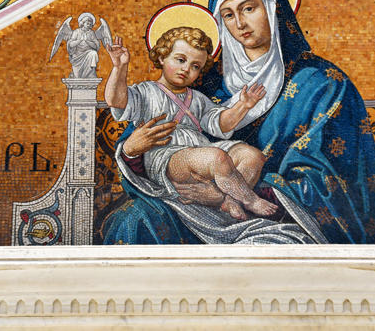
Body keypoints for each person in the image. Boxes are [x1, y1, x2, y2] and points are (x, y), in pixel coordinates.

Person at [101, 0, 375, 244]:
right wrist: (131, 151)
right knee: (133, 221)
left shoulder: (321, 83)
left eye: (249, 8)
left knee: (270, 243)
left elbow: (334, 183)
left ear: (273, 9)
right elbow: (144, 138)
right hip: (189, 205)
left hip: (280, 214)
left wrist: (226, 195)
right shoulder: (203, 79)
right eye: (228, 14)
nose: (240, 24)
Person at [104, 26, 277, 220]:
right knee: (217, 158)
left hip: (201, 151)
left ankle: (230, 200)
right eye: (180, 60)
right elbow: (116, 101)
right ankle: (249, 200)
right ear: (162, 57)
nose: (186, 69)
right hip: (166, 156)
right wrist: (119, 67)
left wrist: (243, 106)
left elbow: (220, 124)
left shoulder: (198, 98)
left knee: (253, 156)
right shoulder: (146, 91)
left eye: (195, 66)